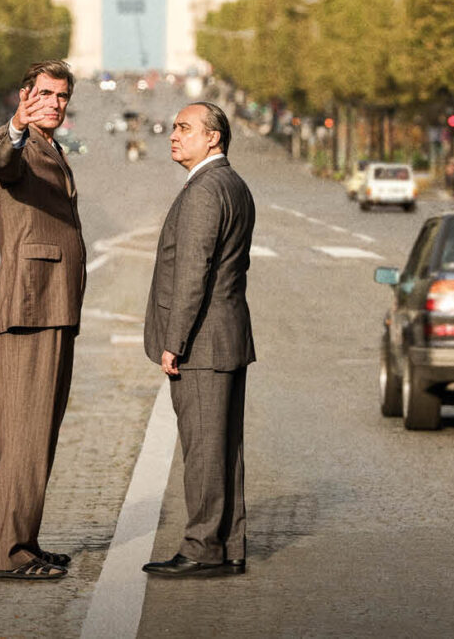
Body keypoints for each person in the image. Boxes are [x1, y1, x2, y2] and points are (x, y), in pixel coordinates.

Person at [0, 59, 85, 581]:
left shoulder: (52, 147)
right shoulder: (17, 144)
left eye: (62, 96)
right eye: (44, 94)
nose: (55, 103)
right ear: (25, 96)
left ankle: (27, 539)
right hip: (31, 306)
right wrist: (16, 126)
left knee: (37, 433)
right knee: (23, 435)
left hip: (52, 305)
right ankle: (10, 553)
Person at [142, 100, 257, 579]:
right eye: (173, 128)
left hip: (203, 343)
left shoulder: (204, 191)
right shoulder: (233, 183)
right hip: (226, 336)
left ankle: (202, 547)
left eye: (185, 128)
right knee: (224, 450)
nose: (174, 135)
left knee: (203, 452)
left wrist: (175, 340)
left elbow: (193, 272)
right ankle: (228, 545)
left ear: (213, 137)